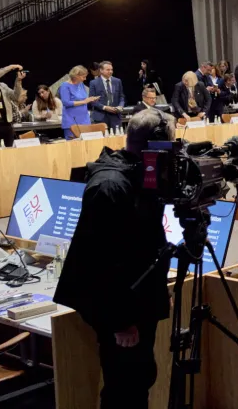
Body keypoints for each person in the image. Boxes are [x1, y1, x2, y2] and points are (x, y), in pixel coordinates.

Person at [53, 109, 176, 408]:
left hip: (138, 295)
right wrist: (121, 322)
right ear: (156, 144)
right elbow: (100, 262)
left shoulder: (140, 173)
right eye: (170, 144)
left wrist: (157, 291)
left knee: (141, 377)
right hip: (119, 308)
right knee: (124, 388)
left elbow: (143, 240)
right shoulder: (110, 185)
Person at [59, 65, 99, 139]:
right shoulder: (65, 86)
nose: (85, 79)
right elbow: (66, 103)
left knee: (87, 142)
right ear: (76, 76)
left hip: (84, 119)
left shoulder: (81, 84)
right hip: (71, 120)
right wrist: (84, 101)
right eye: (83, 77)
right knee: (73, 143)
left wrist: (91, 99)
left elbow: (83, 98)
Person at [89, 61, 125, 129]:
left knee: (117, 135)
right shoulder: (93, 83)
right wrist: (105, 107)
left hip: (115, 116)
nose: (111, 71)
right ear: (101, 70)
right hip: (100, 117)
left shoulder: (117, 81)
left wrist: (121, 106)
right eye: (108, 70)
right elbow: (92, 101)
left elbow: (121, 96)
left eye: (111, 69)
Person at [0, 66, 27, 145]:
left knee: (10, 148)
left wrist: (18, 81)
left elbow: (15, 96)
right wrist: (11, 67)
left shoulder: (2, 85)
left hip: (7, 123)